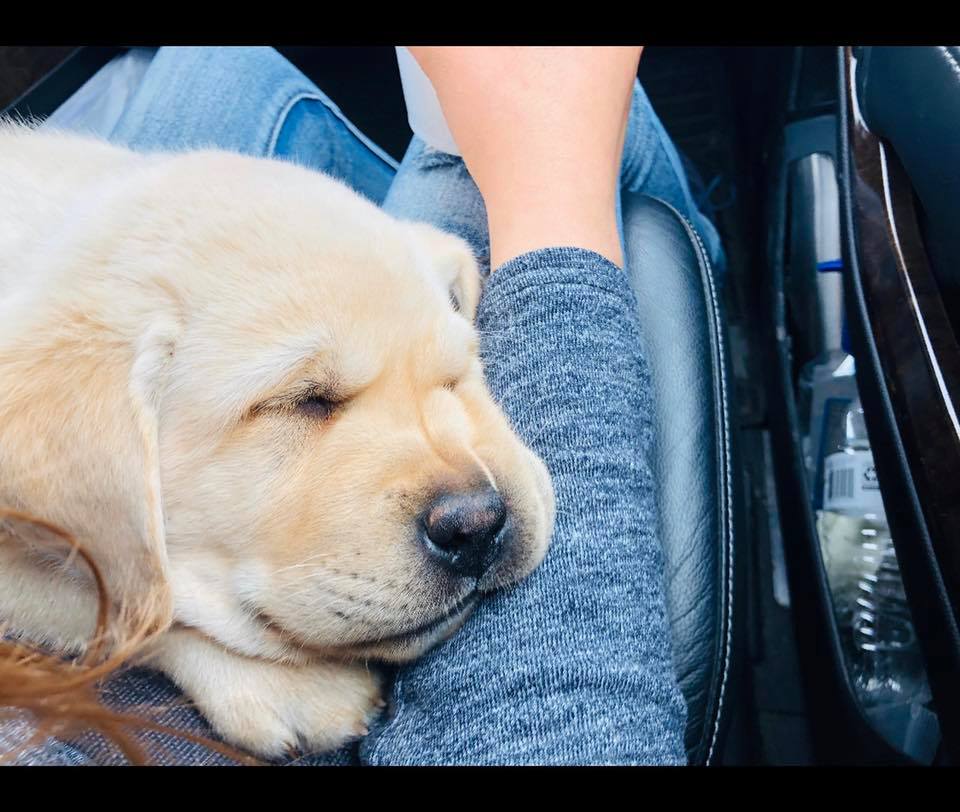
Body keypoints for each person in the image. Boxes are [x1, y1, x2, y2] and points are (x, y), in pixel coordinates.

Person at [7, 45, 724, 765]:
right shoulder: (63, 415)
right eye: (307, 402)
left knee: (219, 63)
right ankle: (730, 292)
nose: (473, 502)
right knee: (542, 103)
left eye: (453, 377)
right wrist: (551, 194)